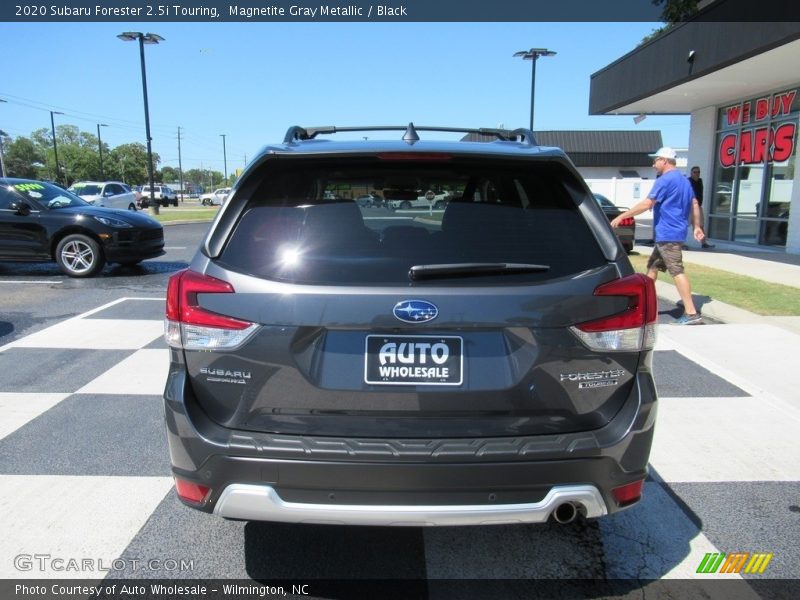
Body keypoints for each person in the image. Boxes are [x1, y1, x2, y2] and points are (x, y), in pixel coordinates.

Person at [610, 147, 706, 325]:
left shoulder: (664, 180)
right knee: (652, 269)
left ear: (665, 160)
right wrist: (697, 226)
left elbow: (647, 204)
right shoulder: (684, 181)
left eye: (656, 160)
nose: (653, 164)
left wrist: (622, 216)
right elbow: (694, 203)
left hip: (668, 234)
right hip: (672, 233)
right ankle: (642, 307)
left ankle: (692, 314)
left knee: (676, 270)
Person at [688, 166, 714, 249]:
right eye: (694, 172)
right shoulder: (688, 181)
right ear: (691, 173)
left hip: (698, 206)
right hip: (689, 207)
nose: (697, 174)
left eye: (698, 172)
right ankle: (679, 244)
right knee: (684, 225)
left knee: (700, 225)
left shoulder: (700, 181)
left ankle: (704, 243)